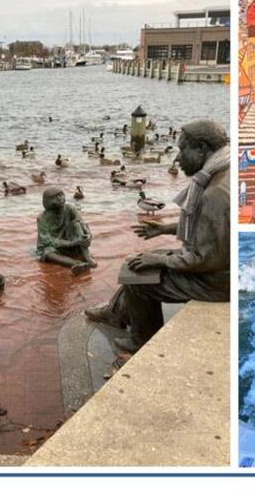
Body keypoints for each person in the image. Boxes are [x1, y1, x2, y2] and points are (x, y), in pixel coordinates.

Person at [84, 120, 230, 353]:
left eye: (182, 150)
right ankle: (116, 312)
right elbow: (208, 229)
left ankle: (140, 340)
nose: (179, 158)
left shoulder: (215, 193)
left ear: (202, 148)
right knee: (143, 259)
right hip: (223, 268)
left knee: (138, 281)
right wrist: (163, 230)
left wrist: (161, 261)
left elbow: (205, 260)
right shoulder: (224, 171)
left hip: (216, 283)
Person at [37, 187, 96, 275]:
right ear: (47, 201)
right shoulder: (42, 217)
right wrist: (71, 243)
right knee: (48, 253)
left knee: (77, 224)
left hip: (71, 240)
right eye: (55, 197)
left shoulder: (70, 209)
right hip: (55, 246)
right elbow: (47, 240)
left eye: (61, 195)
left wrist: (88, 235)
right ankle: (77, 264)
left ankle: (87, 257)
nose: (59, 198)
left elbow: (83, 224)